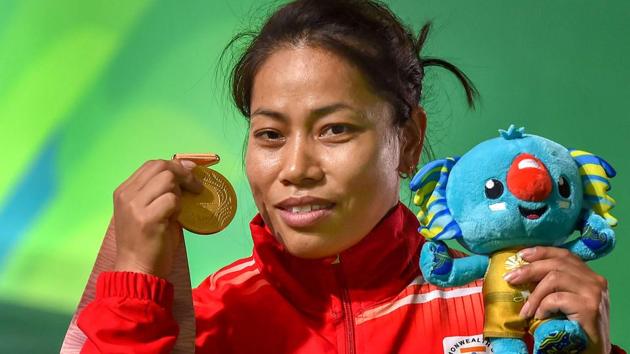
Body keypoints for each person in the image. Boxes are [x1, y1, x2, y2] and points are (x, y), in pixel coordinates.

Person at [74, 0, 623, 353]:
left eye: (334, 130)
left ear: (406, 140)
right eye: (270, 134)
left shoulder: (510, 301)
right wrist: (134, 291)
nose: (295, 169)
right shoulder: (213, 318)